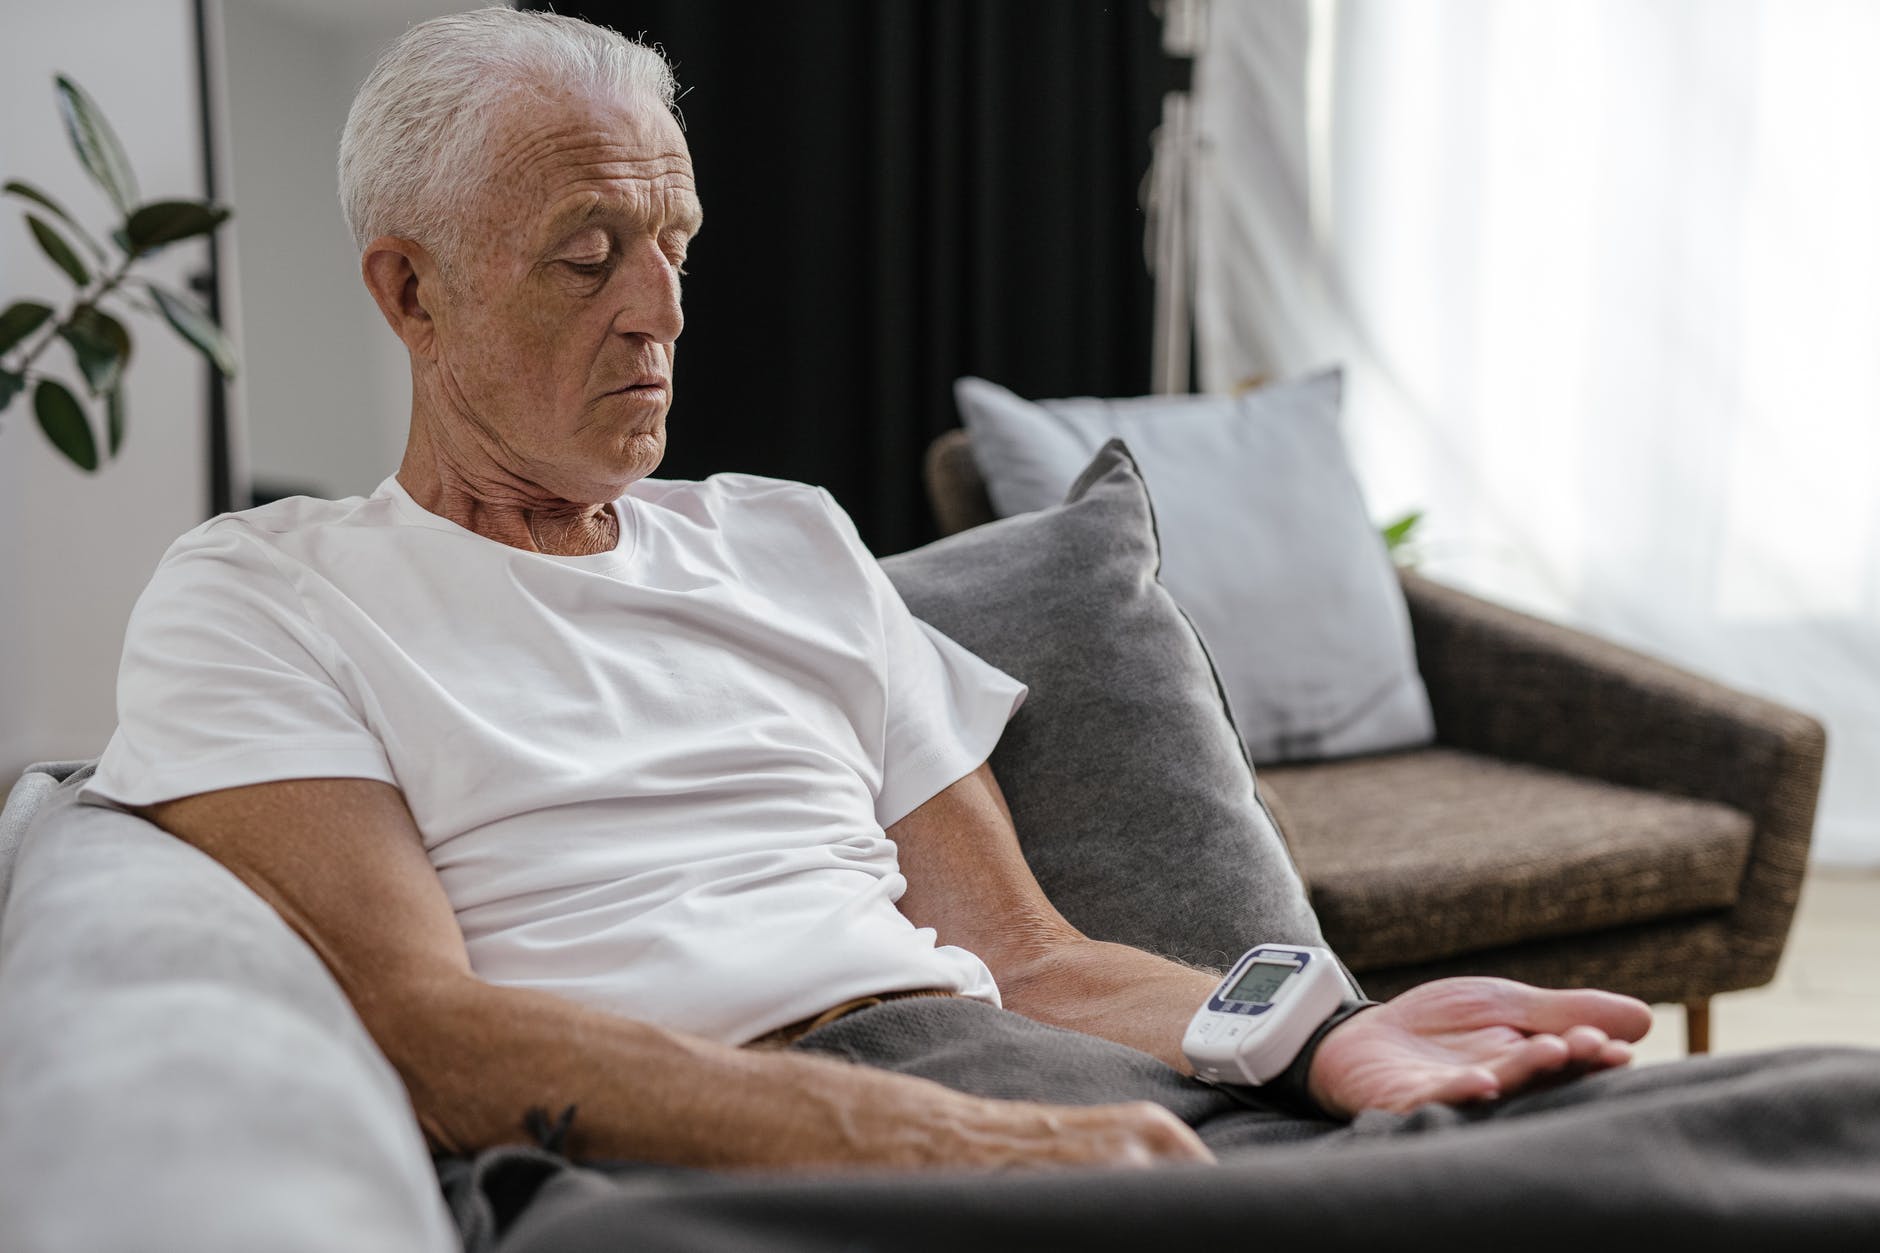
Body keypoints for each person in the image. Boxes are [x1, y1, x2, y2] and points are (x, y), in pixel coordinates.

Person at [79, 8, 1879, 1248]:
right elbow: (429, 1027)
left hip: (1023, 1084)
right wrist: (965, 1142)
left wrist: (1333, 1030)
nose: (660, 311)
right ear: (409, 287)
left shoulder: (789, 541)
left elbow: (1035, 957)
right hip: (697, 1150)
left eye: (678, 244)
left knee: (1808, 1115)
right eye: (586, 251)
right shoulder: (268, 592)